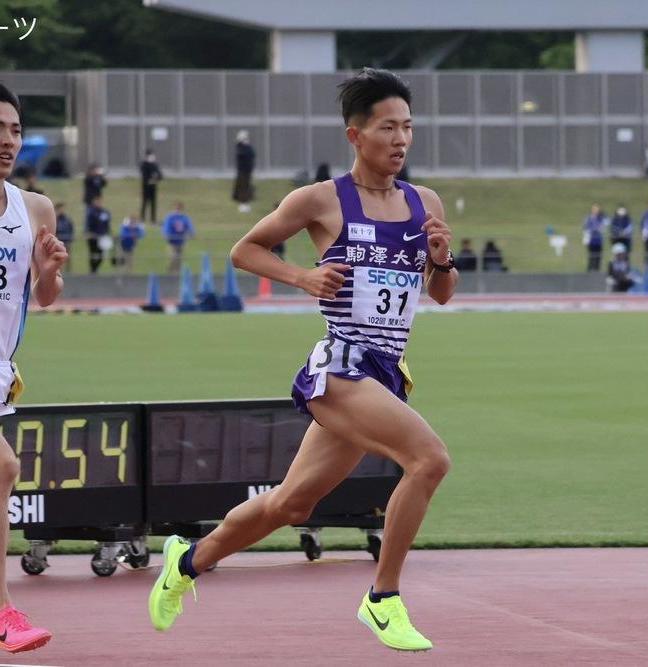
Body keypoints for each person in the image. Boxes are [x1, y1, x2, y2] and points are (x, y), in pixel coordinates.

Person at [149, 67, 455, 652]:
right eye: (388, 127)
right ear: (355, 135)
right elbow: (245, 250)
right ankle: (383, 598)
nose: (401, 140)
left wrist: (440, 259)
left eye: (408, 128)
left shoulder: (425, 202)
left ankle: (186, 562)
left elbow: (440, 294)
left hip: (387, 374)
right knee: (429, 460)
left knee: (292, 504)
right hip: (341, 367)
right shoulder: (322, 200)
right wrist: (302, 276)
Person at [0, 83, 66, 653]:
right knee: (2, 468)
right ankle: (4, 612)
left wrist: (46, 269)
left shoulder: (34, 207)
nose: (7, 141)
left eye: (15, 130)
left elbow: (44, 297)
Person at [162, 201, 194, 273]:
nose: (178, 209)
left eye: (179, 208)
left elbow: (189, 226)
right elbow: (166, 227)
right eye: (176, 208)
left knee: (180, 258)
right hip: (172, 241)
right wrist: (166, 234)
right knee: (173, 257)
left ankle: (177, 272)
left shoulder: (185, 217)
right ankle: (171, 270)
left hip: (181, 240)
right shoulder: (170, 217)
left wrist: (192, 233)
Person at [85, 194, 111, 274]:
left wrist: (108, 233)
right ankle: (92, 270)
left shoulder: (105, 212)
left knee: (101, 254)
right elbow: (88, 224)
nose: (99, 203)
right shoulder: (91, 212)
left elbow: (107, 224)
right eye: (97, 201)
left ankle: (95, 269)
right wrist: (88, 233)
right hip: (93, 237)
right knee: (93, 254)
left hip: (102, 236)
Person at [232, 130, 255, 213]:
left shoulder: (248, 148)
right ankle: (242, 204)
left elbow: (252, 155)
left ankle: (246, 203)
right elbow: (242, 155)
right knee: (242, 187)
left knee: (247, 187)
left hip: (248, 171)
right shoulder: (240, 148)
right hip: (242, 171)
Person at [582, 204, 608, 272]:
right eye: (594, 209)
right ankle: (590, 270)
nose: (596, 211)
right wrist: (593, 230)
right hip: (591, 240)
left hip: (599, 240)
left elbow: (605, 225)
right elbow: (586, 227)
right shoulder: (589, 218)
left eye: (597, 209)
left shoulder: (601, 218)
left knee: (598, 256)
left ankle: (597, 271)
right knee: (591, 256)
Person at [140, 149, 162, 224]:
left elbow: (160, 175)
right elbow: (145, 176)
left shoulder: (155, 165)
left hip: (153, 187)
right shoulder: (144, 164)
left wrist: (156, 178)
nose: (152, 157)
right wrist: (152, 178)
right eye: (150, 155)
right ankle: (142, 218)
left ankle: (153, 219)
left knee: (153, 203)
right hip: (146, 187)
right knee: (145, 202)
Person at [54, 202, 74, 272]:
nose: (62, 210)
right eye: (60, 209)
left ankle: (68, 271)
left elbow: (71, 228)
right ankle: (58, 271)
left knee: (68, 257)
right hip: (58, 242)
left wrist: (71, 238)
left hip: (67, 241)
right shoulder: (54, 219)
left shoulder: (67, 219)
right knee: (59, 257)